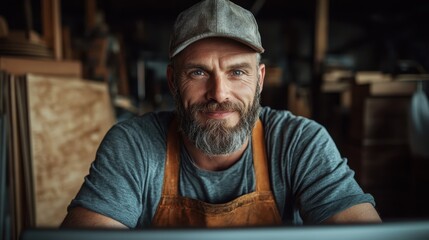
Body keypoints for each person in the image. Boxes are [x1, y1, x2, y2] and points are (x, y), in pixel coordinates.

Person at [61, 0, 381, 228]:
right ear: (173, 81)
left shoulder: (299, 143)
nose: (219, 93)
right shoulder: (133, 146)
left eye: (237, 72)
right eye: (199, 73)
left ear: (260, 80)